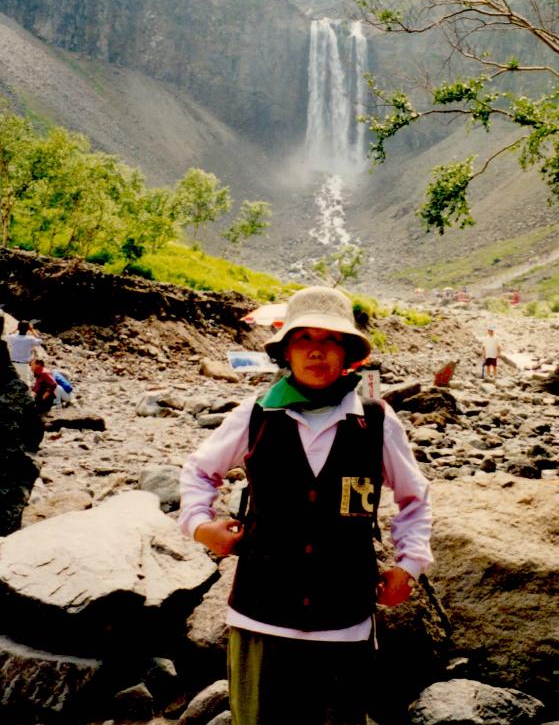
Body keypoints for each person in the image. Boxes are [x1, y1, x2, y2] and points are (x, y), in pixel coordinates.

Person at [179, 285, 433, 725]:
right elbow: (200, 471)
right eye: (305, 340)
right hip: (261, 615)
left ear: (349, 352)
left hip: (345, 618)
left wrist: (409, 565)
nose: (317, 353)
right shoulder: (255, 414)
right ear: (287, 352)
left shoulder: (375, 419)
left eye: (330, 340)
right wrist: (200, 526)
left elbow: (414, 497)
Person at [3, 319, 42, 385]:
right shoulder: (30, 339)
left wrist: (16, 329)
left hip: (12, 365)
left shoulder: (12, 337)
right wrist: (32, 330)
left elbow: (7, 336)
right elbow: (40, 340)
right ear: (28, 329)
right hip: (23, 365)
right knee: (26, 384)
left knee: (10, 384)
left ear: (18, 327)